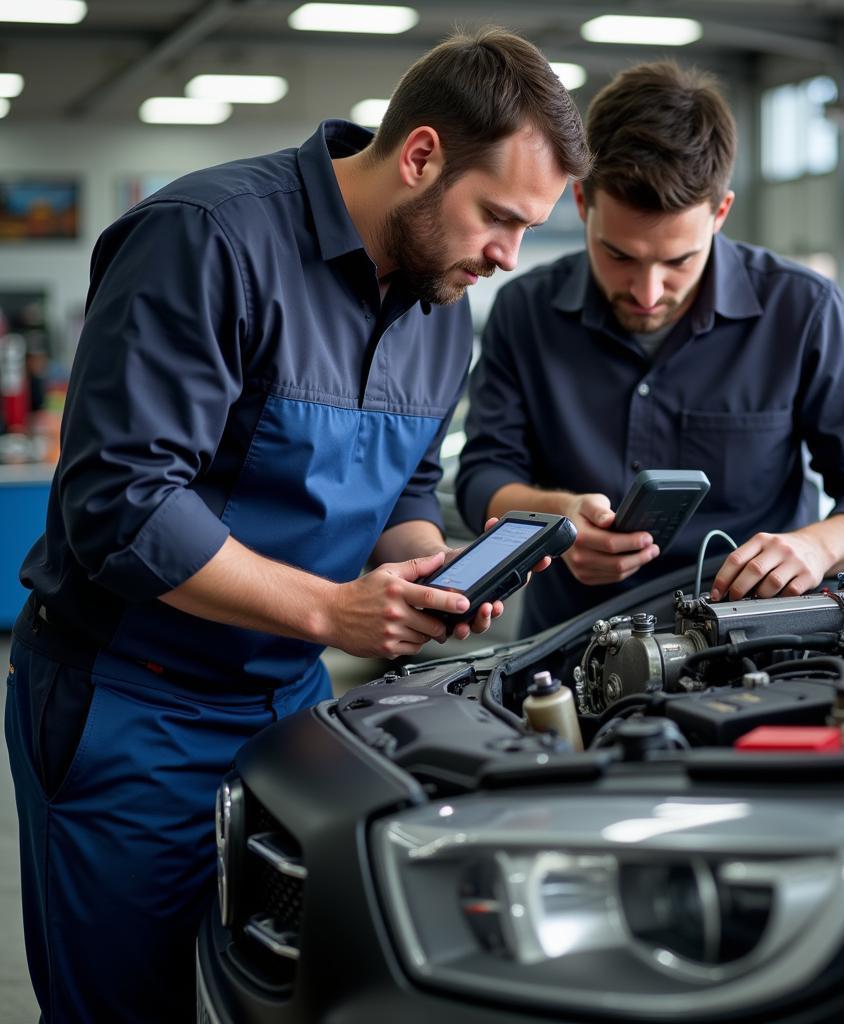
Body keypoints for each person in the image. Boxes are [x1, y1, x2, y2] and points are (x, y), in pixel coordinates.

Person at [5, 28, 588, 1023]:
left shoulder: (439, 305)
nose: (507, 256)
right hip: (131, 705)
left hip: (291, 704)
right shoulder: (207, 238)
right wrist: (333, 611)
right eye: (498, 217)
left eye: (528, 229)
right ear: (420, 157)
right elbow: (121, 505)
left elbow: (405, 486)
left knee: (285, 997)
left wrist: (421, 573)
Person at [456, 61, 844, 637]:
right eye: (619, 255)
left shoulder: (802, 311)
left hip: (754, 649)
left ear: (719, 213)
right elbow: (482, 474)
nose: (647, 293)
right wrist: (559, 515)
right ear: (581, 203)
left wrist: (817, 547)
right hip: (567, 650)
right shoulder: (524, 311)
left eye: (678, 261)